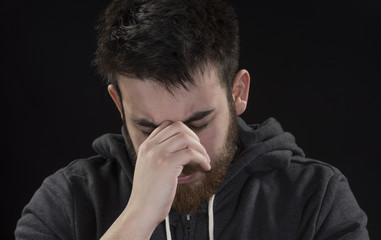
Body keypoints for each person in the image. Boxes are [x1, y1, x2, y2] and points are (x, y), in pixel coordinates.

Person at [15, 0, 369, 239]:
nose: (179, 150)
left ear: (238, 93)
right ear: (118, 105)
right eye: (149, 128)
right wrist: (137, 217)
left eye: (198, 122)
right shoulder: (66, 200)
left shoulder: (317, 198)